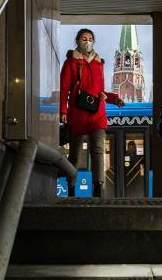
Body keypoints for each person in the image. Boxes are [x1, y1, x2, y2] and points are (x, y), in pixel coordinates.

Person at [60, 28, 125, 197]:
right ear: (77, 41)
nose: (87, 41)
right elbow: (64, 88)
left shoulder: (98, 63)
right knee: (74, 154)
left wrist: (113, 98)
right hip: (78, 115)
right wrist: (63, 110)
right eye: (83, 38)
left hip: (97, 114)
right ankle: (71, 188)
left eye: (90, 39)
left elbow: (100, 91)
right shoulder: (71, 63)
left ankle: (98, 188)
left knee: (98, 150)